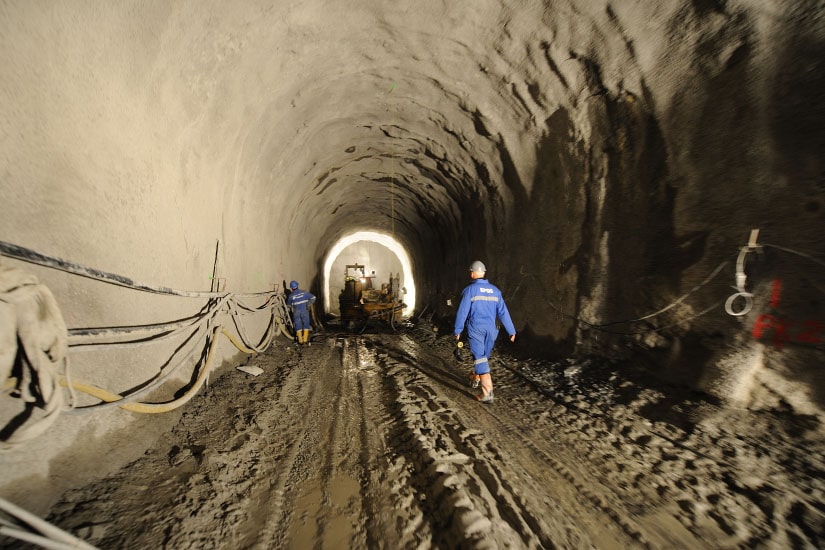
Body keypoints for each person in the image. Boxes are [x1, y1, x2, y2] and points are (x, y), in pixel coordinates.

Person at [453, 261, 516, 403]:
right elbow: (503, 312)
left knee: (480, 358)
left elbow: (462, 312)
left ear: (472, 273)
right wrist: (511, 330)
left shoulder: (469, 290)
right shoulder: (496, 291)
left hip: (476, 329)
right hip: (492, 330)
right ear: (484, 273)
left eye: (471, 272)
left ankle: (487, 393)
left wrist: (458, 330)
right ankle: (476, 377)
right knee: (484, 356)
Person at [287, 280, 316, 346]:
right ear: (297, 285)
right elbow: (314, 297)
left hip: (296, 312)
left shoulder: (291, 296)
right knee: (306, 324)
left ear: (291, 288)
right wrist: (308, 304)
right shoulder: (304, 293)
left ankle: (300, 341)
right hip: (304, 310)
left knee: (298, 324)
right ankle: (305, 340)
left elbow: (288, 305)